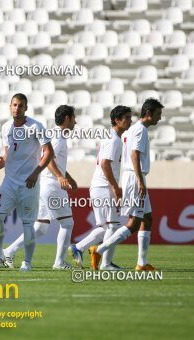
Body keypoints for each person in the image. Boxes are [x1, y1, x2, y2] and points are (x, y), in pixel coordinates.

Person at [89, 98, 163, 271]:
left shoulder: (131, 130)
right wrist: (139, 179)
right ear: (149, 113)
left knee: (148, 218)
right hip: (135, 178)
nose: (160, 118)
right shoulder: (140, 130)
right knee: (134, 223)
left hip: (135, 176)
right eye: (158, 114)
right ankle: (99, 249)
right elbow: (135, 154)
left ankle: (141, 263)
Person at [3, 105, 78, 270]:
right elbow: (48, 158)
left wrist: (68, 177)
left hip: (44, 185)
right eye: (73, 118)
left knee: (41, 227)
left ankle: (9, 251)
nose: (75, 121)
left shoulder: (55, 135)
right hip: (52, 185)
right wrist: (59, 176)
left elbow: (57, 162)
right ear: (67, 118)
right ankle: (59, 262)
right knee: (67, 223)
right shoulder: (58, 137)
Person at [0, 93, 54, 271]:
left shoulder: (36, 126)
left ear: (26, 108)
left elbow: (49, 152)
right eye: (14, 105)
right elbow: (6, 156)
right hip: (9, 183)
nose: (17, 108)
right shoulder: (5, 127)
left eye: (21, 105)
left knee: (27, 224)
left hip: (28, 184)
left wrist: (36, 173)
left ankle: (27, 262)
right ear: (10, 107)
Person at [68, 106, 132, 270]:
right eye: (126, 117)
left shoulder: (112, 137)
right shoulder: (114, 139)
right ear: (117, 120)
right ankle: (106, 263)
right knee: (113, 226)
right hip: (104, 187)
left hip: (99, 186)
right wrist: (115, 187)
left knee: (105, 227)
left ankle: (78, 248)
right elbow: (105, 164)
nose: (130, 120)